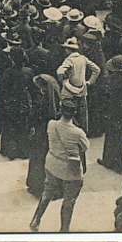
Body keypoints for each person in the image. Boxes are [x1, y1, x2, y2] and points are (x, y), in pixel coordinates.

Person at [29, 98, 88, 233]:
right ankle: (64, 230)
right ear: (75, 113)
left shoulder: (51, 124)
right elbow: (85, 147)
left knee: (47, 193)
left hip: (51, 164)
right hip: (70, 170)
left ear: (60, 111)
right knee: (68, 201)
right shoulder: (78, 133)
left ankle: (36, 220)